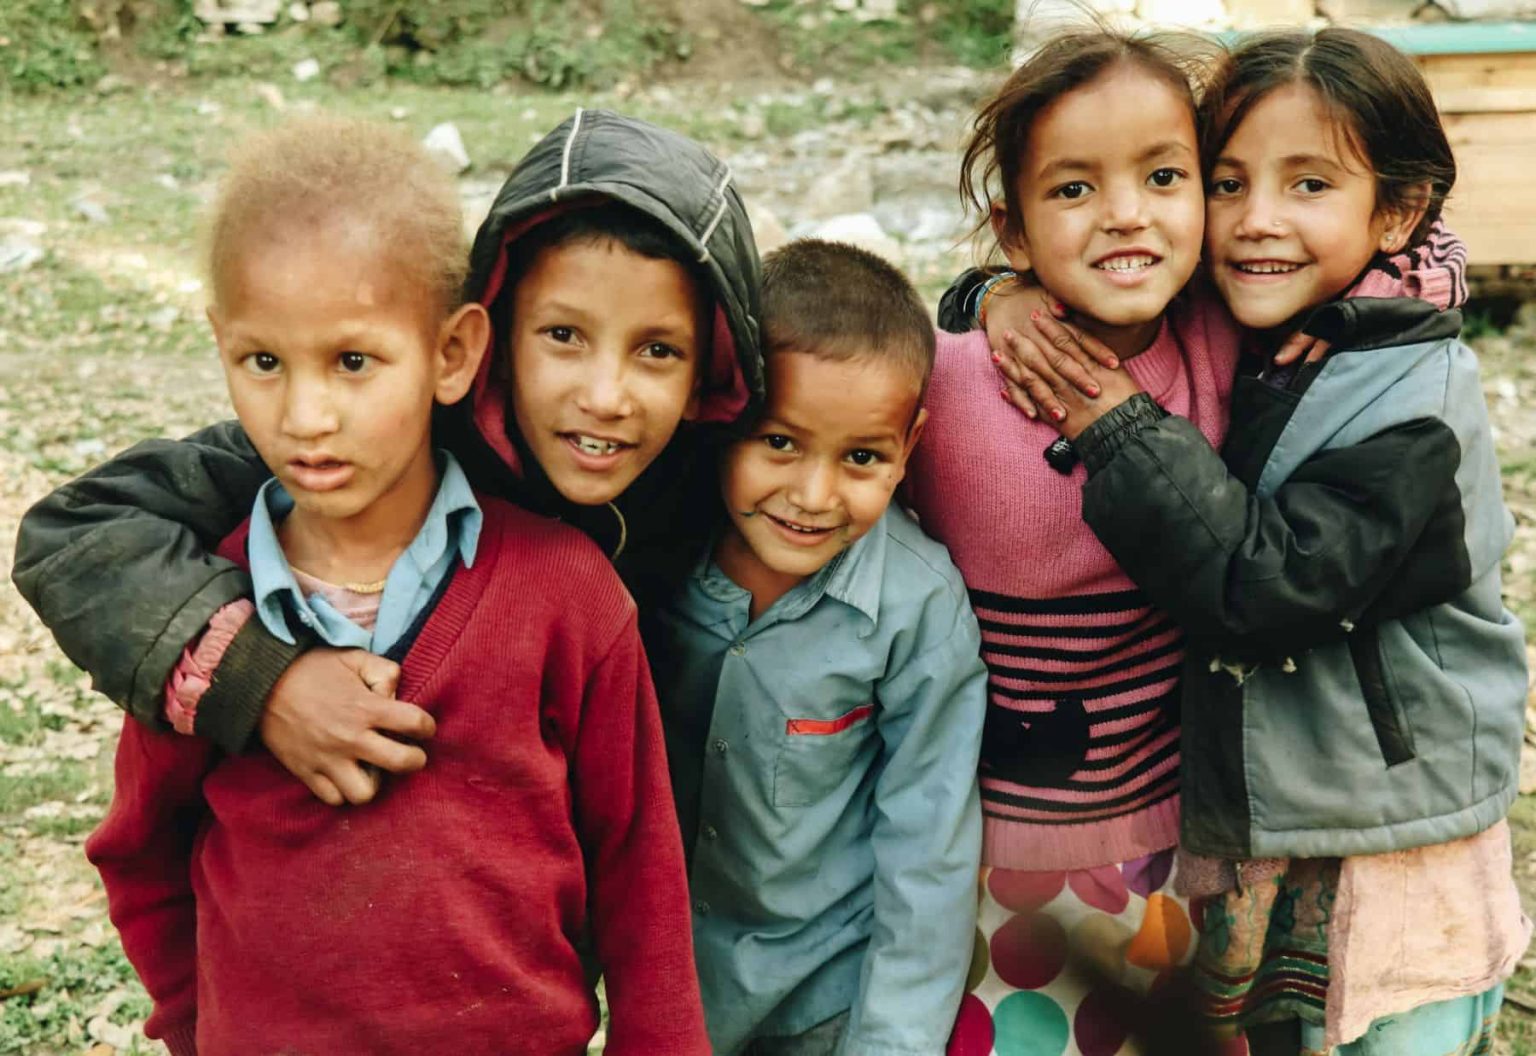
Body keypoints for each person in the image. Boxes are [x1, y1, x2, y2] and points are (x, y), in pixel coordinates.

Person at [84, 116, 710, 1055]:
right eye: (264, 362)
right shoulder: (201, 614)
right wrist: (198, 1026)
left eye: (352, 362)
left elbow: (638, 874)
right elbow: (142, 854)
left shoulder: (568, 595)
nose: (306, 415)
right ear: (221, 345)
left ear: (453, 354)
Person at [908, 26, 1472, 1056]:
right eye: (1075, 188)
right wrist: (993, 294)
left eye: (1165, 176)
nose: (1127, 211)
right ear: (1014, 228)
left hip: (1196, 840)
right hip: (987, 845)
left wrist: (1371, 308)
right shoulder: (948, 387)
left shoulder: (1236, 337)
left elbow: (1399, 276)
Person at [11, 107, 763, 805]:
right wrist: (263, 680)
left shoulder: (736, 476)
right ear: (487, 341)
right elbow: (76, 536)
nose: (604, 397)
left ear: (715, 373)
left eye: (658, 350)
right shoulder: (383, 443)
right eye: (562, 335)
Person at [648, 238, 987, 1055]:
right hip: (667, 995)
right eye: (779, 443)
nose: (812, 495)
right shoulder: (654, 554)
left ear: (910, 446)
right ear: (723, 417)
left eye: (861, 457)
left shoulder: (916, 607)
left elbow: (928, 846)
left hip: (828, 1002)